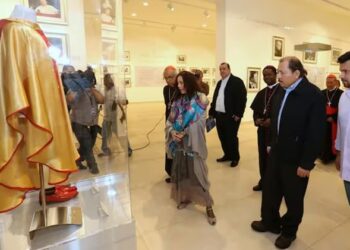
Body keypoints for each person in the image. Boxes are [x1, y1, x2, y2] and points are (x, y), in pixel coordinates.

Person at [251, 56, 326, 249]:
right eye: (277, 71)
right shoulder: (281, 90)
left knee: (293, 198)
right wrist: (270, 143)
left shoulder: (313, 95)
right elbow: (276, 120)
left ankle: (289, 232)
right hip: (276, 152)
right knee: (270, 190)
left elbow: (316, 132)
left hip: (297, 158)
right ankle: (270, 222)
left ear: (297, 73)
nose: (278, 76)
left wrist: (307, 163)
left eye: (282, 72)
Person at [166, 71, 216, 225]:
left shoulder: (201, 100)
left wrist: (185, 132)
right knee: (182, 171)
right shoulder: (177, 101)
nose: (179, 86)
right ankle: (185, 197)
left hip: (193, 144)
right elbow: (169, 122)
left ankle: (208, 205)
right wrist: (173, 132)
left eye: (182, 83)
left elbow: (200, 123)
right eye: (178, 83)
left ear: (189, 82)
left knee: (199, 174)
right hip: (180, 144)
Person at [64, 65, 105, 174]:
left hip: (92, 122)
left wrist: (91, 88)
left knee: (88, 144)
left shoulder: (93, 90)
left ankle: (77, 159)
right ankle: (93, 166)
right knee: (87, 144)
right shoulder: (72, 90)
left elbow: (102, 99)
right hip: (78, 122)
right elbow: (69, 99)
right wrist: (78, 89)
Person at [209, 62, 247, 167]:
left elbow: (242, 99)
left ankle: (235, 157)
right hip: (219, 115)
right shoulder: (219, 83)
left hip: (231, 116)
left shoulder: (237, 82)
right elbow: (216, 98)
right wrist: (212, 112)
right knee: (222, 137)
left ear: (229, 69)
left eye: (224, 69)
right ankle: (227, 155)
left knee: (231, 137)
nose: (222, 71)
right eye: (220, 69)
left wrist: (238, 114)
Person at [250, 65, 279, 191]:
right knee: (262, 157)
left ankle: (275, 184)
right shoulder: (262, 92)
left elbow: (285, 113)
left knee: (274, 158)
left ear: (276, 75)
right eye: (264, 75)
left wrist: (272, 121)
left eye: (269, 74)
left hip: (275, 133)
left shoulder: (282, 92)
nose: (267, 77)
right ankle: (263, 181)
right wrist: (257, 119)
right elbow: (256, 110)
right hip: (262, 131)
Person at [98, 74, 126, 157]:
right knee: (105, 135)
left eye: (108, 82)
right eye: (105, 82)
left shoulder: (117, 90)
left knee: (120, 134)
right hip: (107, 117)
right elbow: (101, 100)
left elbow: (124, 101)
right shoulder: (104, 89)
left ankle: (128, 149)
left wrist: (119, 101)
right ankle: (105, 150)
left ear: (111, 81)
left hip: (115, 117)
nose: (106, 84)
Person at [335, 51, 350, 205]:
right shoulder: (344, 98)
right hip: (347, 167)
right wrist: (339, 153)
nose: (342, 76)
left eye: (346, 71)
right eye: (341, 71)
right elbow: (341, 129)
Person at [320, 74, 343, 164]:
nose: (329, 84)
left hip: (334, 122)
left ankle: (331, 156)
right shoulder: (322, 92)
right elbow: (318, 107)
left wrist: (333, 117)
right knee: (323, 138)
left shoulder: (341, 94)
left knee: (332, 139)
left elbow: (342, 109)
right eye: (327, 82)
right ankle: (322, 155)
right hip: (323, 120)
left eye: (331, 82)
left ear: (335, 82)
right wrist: (324, 117)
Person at [163, 66, 177, 183]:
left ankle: (180, 175)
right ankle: (171, 173)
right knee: (169, 148)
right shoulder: (165, 89)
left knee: (178, 150)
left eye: (170, 77)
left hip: (179, 125)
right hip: (169, 123)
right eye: (166, 78)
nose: (168, 80)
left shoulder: (181, 88)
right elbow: (167, 105)